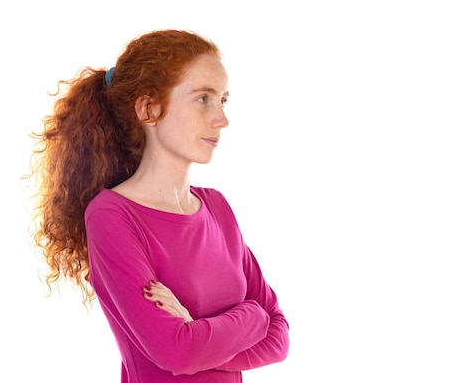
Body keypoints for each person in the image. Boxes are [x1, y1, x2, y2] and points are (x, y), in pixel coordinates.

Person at [26, 29, 290, 382]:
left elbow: (280, 338)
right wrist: (252, 316)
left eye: (222, 100)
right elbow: (177, 352)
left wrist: (199, 332)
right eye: (202, 99)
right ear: (148, 109)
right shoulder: (112, 216)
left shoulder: (218, 208)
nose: (221, 119)